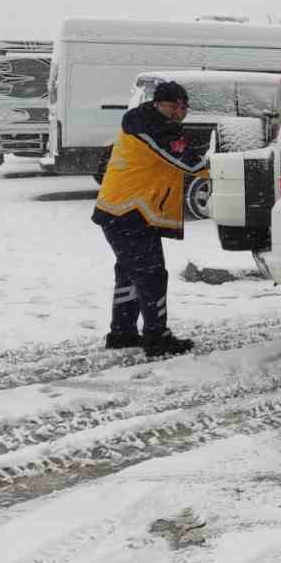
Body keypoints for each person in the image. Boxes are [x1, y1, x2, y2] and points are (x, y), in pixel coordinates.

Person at [91, 79, 207, 357]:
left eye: (184, 106)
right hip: (129, 214)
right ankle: (157, 337)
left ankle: (122, 333)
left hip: (125, 212)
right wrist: (220, 169)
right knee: (151, 275)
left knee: (130, 274)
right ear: (159, 104)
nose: (180, 111)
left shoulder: (151, 124)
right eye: (174, 105)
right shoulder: (150, 127)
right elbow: (186, 161)